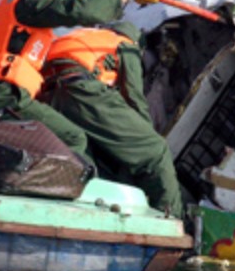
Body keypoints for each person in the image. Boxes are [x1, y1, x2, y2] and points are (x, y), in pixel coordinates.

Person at [0, 0, 133, 157]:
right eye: (60, 0)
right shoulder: (29, 1)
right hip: (3, 97)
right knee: (73, 137)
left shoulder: (14, 8)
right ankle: (59, 185)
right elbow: (77, 11)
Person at [39, 21, 186, 219]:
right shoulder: (126, 44)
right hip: (83, 90)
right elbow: (134, 97)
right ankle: (173, 220)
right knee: (155, 151)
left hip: (53, 97)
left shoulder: (85, 36)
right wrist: (143, 137)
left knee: (94, 162)